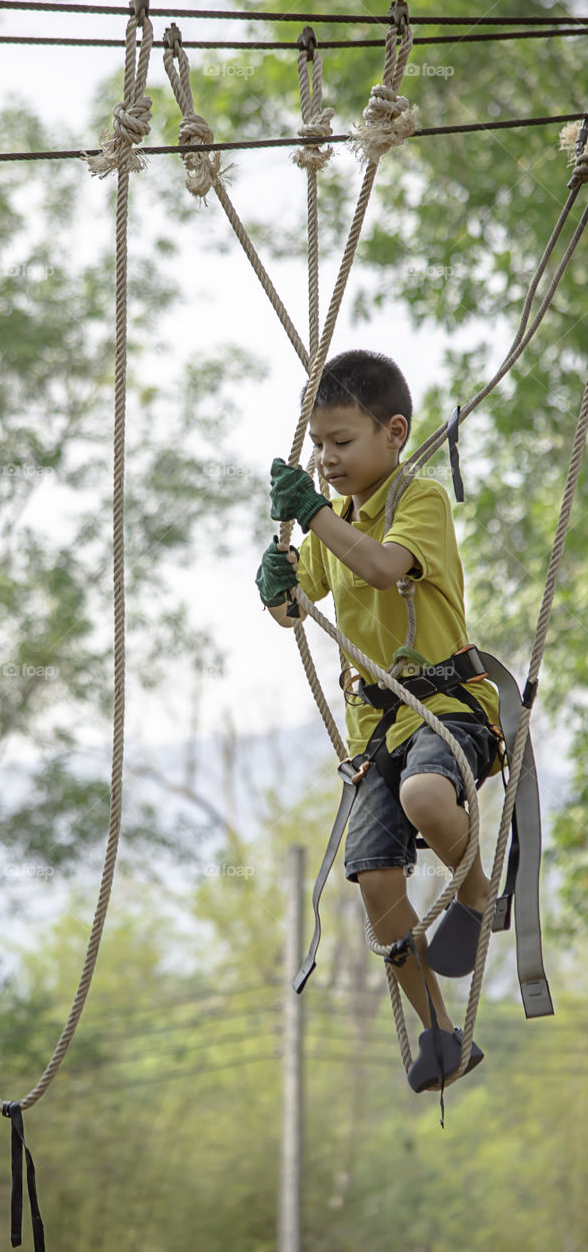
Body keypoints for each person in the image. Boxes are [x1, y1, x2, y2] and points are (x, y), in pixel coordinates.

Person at [255, 350, 501, 1093]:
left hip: (446, 708)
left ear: (393, 434)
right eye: (319, 445)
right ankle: (439, 1031)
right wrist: (275, 588)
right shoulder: (339, 522)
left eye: (342, 441)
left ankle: (476, 892)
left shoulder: (414, 502)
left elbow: (382, 570)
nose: (326, 459)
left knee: (424, 798)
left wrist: (314, 516)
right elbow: (300, 606)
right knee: (375, 881)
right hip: (375, 730)